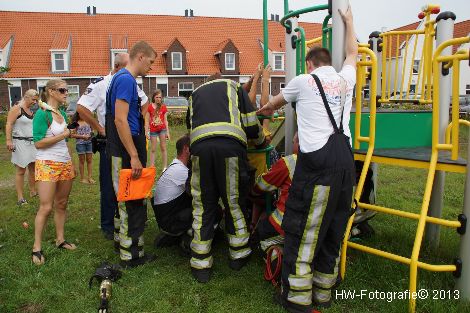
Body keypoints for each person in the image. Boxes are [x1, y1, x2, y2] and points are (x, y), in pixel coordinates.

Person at [257, 6, 358, 311]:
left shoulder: (303, 81)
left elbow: (274, 104)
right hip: (345, 164)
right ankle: (323, 294)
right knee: (333, 228)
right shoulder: (345, 79)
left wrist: (265, 111)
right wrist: (348, 20)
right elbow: (352, 52)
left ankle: (298, 299)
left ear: (311, 64)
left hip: (317, 167)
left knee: (304, 230)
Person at [186, 72, 266, 283]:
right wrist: (260, 141)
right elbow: (250, 122)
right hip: (230, 148)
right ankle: (238, 255)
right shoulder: (234, 86)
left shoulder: (194, 94)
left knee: (203, 204)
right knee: (233, 201)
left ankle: (201, 263)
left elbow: (190, 128)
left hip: (200, 151)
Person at [76, 52, 149, 241]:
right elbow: (81, 107)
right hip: (110, 140)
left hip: (127, 138)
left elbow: (145, 102)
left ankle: (123, 223)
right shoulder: (102, 83)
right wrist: (99, 128)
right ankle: (109, 224)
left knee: (126, 183)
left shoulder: (129, 81)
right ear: (118, 67)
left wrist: (136, 123)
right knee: (109, 184)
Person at [105, 41, 157, 268]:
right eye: (151, 62)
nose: (152, 67)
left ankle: (121, 243)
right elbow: (120, 119)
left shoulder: (119, 78)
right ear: (140, 57)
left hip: (121, 148)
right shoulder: (126, 79)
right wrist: (134, 155)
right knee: (132, 201)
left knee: (123, 201)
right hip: (126, 151)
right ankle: (132, 256)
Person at [31, 79, 77, 265]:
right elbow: (38, 143)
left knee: (62, 203)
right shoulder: (42, 114)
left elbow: (63, 141)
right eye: (62, 90)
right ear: (51, 91)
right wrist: (64, 135)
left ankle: (60, 239)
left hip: (64, 163)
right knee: (46, 207)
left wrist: (71, 159)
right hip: (47, 163)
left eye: (66, 90)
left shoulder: (62, 113)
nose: (66, 93)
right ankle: (36, 248)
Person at [252, 133, 299, 254]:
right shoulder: (331, 163)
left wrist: (252, 190)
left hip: (285, 226)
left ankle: (277, 257)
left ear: (300, 144)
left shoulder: (290, 162)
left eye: (293, 142)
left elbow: (262, 186)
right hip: (317, 228)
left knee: (260, 239)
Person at [151, 134, 191, 250]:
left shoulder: (174, 166)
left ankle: (172, 237)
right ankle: (188, 239)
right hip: (171, 222)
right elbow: (201, 193)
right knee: (212, 211)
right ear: (186, 149)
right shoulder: (180, 171)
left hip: (165, 218)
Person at [5, 89, 39, 205]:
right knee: (21, 170)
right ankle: (20, 198)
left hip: (32, 143)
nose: (35, 102)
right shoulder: (16, 109)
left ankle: (33, 191)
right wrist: (9, 140)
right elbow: (9, 124)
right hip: (20, 143)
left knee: (33, 168)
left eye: (36, 100)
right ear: (26, 97)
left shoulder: (30, 110)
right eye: (33, 99)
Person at [145, 89, 170, 170]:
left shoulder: (163, 107)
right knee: (153, 149)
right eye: (157, 97)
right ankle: (152, 167)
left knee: (163, 148)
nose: (159, 99)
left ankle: (165, 167)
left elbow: (166, 121)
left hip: (162, 130)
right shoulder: (149, 107)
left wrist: (167, 132)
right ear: (154, 97)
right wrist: (146, 132)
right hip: (153, 131)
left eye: (160, 97)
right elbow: (147, 120)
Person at [72, 112, 94, 184]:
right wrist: (83, 137)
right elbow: (72, 135)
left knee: (89, 160)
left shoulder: (88, 121)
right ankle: (82, 178)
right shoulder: (75, 123)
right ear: (78, 114)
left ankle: (90, 177)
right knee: (82, 160)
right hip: (80, 144)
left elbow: (92, 131)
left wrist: (90, 135)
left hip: (89, 143)